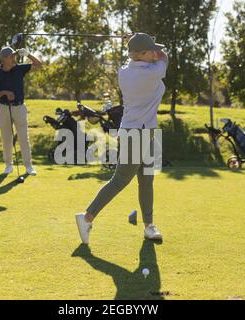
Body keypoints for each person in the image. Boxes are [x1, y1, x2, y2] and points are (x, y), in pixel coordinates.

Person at [75, 33, 169, 244]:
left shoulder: (124, 71)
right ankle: (87, 217)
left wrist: (135, 42)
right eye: (151, 50)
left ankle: (149, 226)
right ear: (144, 54)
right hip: (136, 134)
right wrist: (148, 47)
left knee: (147, 180)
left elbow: (145, 56)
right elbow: (164, 57)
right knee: (119, 180)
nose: (155, 52)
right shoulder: (153, 72)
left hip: (145, 132)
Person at [0, 47, 42, 175]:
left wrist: (28, 54)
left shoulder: (19, 69)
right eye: (12, 56)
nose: (14, 58)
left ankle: (28, 166)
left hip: (20, 107)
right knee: (6, 138)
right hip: (4, 108)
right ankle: (8, 165)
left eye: (14, 55)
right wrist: (4, 93)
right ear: (4, 59)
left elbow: (38, 65)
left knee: (24, 137)